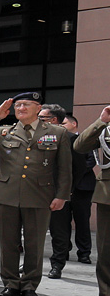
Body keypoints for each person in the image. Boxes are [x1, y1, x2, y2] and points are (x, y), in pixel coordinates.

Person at [0, 93, 71, 296]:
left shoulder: (57, 133)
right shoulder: (3, 131)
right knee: (7, 242)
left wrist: (62, 195)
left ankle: (29, 285)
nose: (21, 108)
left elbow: (65, 167)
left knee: (34, 244)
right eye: (18, 105)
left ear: (38, 108)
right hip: (5, 194)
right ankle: (10, 283)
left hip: (39, 194)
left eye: (26, 105)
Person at [73, 106, 110, 296]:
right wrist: (101, 121)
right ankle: (106, 295)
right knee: (105, 249)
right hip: (108, 195)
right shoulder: (106, 129)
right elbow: (80, 146)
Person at [49, 111, 94, 278]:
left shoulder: (79, 139)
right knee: (60, 224)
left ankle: (84, 252)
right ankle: (62, 253)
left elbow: (86, 163)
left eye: (64, 123)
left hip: (81, 188)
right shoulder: (49, 139)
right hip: (58, 190)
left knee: (82, 221)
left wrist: (70, 183)